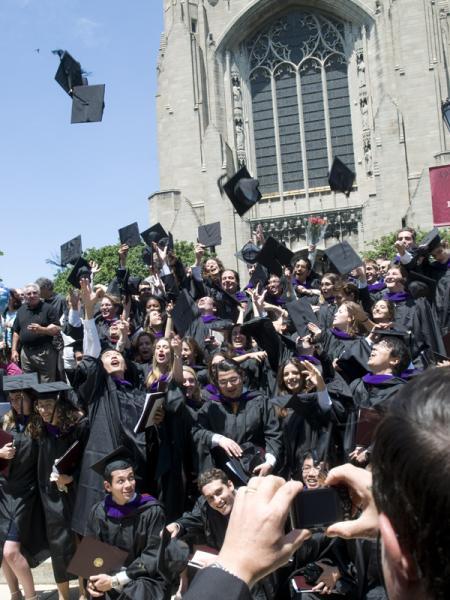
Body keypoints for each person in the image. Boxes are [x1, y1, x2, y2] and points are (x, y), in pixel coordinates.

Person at [86, 448, 173, 600]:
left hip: (145, 578)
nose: (128, 485)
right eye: (121, 481)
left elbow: (153, 555)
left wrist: (115, 581)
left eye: (131, 478)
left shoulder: (151, 510)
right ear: (108, 486)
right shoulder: (99, 511)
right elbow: (93, 554)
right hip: (109, 576)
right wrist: (92, 582)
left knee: (139, 591)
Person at [0, 375, 47, 600]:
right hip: (2, 492)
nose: (15, 402)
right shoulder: (4, 422)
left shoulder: (40, 425)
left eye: (20, 398)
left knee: (11, 551)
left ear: (30, 398)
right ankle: (15, 594)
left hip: (25, 494)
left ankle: (31, 597)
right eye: (12, 398)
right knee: (3, 552)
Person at [11, 283, 61, 381]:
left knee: (47, 386)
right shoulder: (21, 310)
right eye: (29, 294)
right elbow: (16, 331)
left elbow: (57, 329)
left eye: (35, 293)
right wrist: (14, 350)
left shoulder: (48, 308)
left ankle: (47, 397)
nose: (32, 295)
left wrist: (42, 329)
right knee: (28, 385)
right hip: (26, 353)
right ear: (25, 296)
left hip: (44, 353)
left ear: (39, 294)